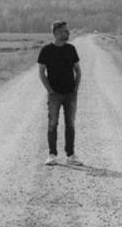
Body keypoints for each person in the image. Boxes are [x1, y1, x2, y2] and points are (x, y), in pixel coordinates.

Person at [38, 21, 82, 166]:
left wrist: (76, 89)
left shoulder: (71, 49)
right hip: (54, 94)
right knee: (52, 124)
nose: (68, 33)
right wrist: (50, 90)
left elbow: (78, 70)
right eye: (64, 31)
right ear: (56, 33)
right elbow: (41, 72)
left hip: (70, 93)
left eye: (67, 31)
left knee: (70, 124)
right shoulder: (46, 50)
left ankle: (71, 155)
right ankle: (52, 155)